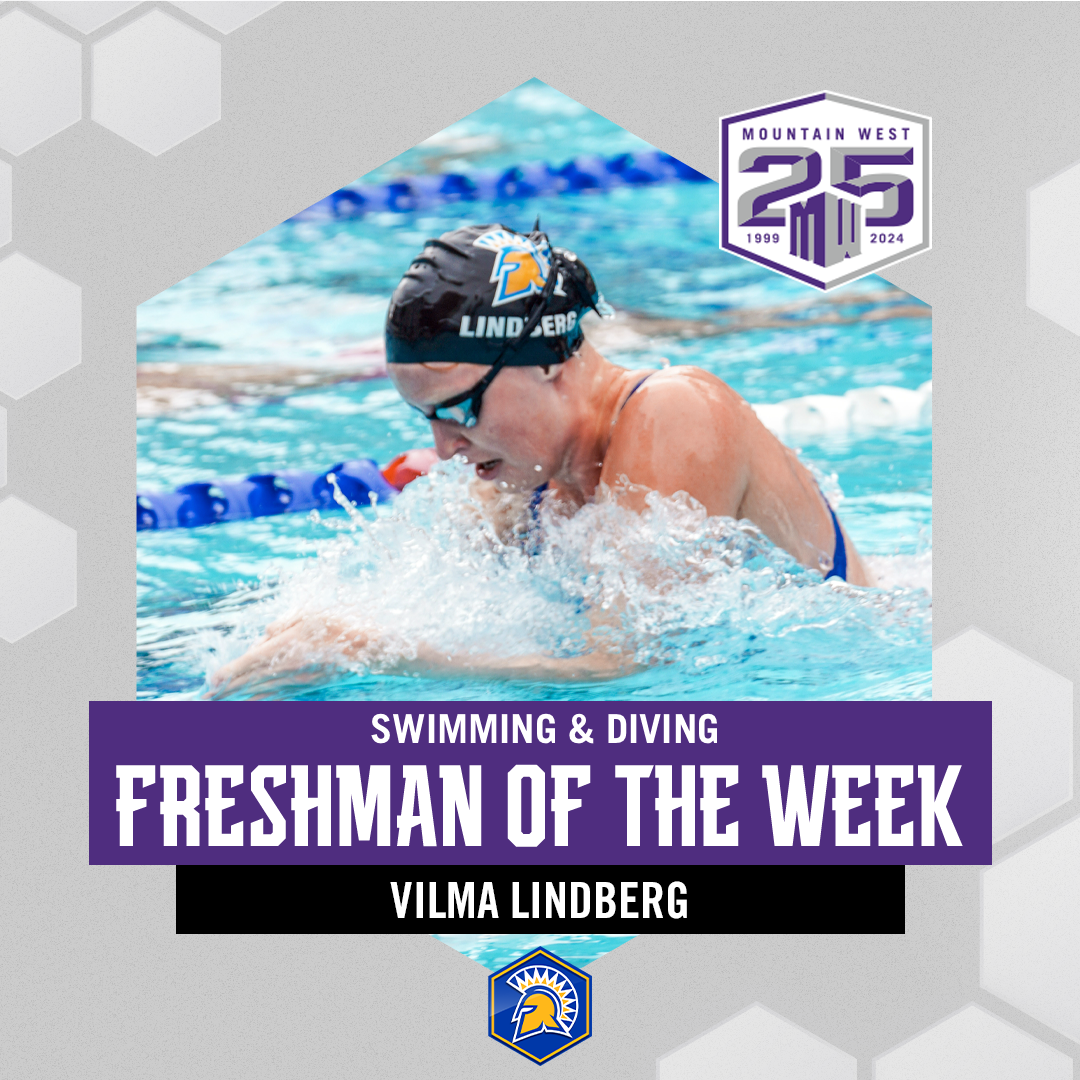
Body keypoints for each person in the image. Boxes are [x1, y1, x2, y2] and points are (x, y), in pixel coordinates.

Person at [208, 224, 872, 697]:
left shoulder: (675, 410)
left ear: (547, 360)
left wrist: (367, 650)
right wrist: (302, 642)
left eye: (461, 408)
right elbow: (418, 612)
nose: (444, 447)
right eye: (427, 418)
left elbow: (623, 669)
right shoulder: (524, 486)